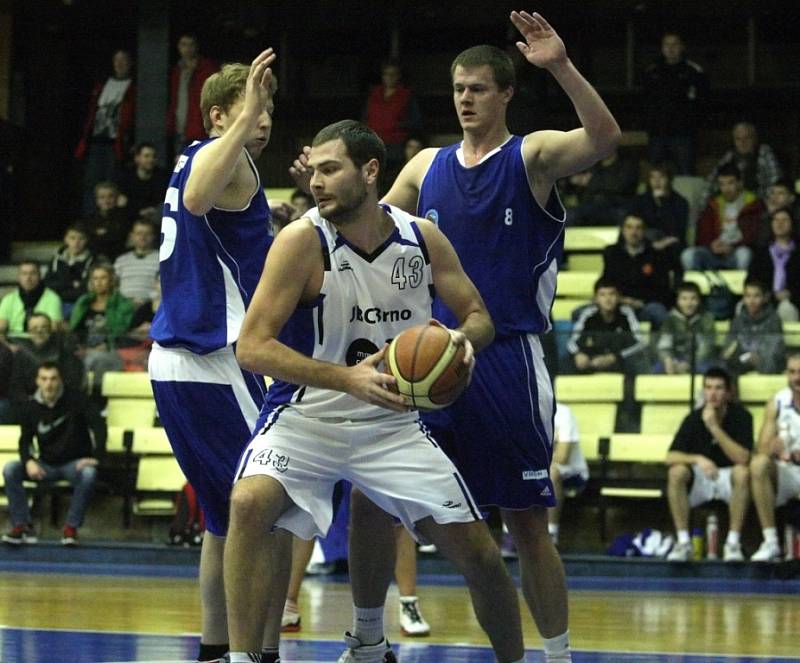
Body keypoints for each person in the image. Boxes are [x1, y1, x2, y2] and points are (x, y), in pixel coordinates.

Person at [290, 12, 621, 662]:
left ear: (504, 94)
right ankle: (366, 637)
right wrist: (305, 205)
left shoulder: (531, 155)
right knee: (371, 496)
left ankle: (556, 654)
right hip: (425, 361)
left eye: (477, 88)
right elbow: (366, 213)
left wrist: (558, 65)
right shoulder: (423, 165)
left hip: (506, 358)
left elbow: (605, 137)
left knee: (525, 521)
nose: (465, 98)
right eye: (457, 88)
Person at [226, 119, 525, 663]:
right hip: (307, 417)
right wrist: (348, 378)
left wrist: (455, 344)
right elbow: (252, 348)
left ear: (369, 171)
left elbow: (479, 315)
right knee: (247, 502)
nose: (315, 182)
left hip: (393, 424)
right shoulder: (301, 241)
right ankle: (244, 657)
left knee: (481, 555)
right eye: (312, 170)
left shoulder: (420, 238)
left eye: (330, 169)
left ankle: (377, 643)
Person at [148, 50, 286, 663]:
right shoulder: (218, 163)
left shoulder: (194, 160)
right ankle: (256, 654)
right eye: (252, 105)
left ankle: (216, 649)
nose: (264, 118)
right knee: (269, 512)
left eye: (270, 106)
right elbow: (204, 200)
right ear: (216, 115)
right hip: (217, 357)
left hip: (178, 358)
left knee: (223, 521)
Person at [2, 362, 101, 546]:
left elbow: (99, 426)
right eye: (44, 379)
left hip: (74, 464)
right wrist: (29, 461)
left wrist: (96, 457)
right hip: (46, 464)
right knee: (11, 469)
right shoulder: (31, 406)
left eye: (53, 379)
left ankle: (71, 528)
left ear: (60, 380)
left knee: (89, 473)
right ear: (37, 381)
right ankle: (21, 526)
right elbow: (24, 441)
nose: (49, 384)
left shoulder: (76, 399)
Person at [665, 367, 752, 562]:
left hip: (729, 478)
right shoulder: (693, 418)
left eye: (719, 388)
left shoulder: (742, 416)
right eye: (708, 387)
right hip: (701, 477)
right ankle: (683, 542)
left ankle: (732, 543)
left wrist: (714, 427)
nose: (712, 393)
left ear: (729, 392)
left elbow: (744, 458)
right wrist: (697, 459)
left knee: (743, 473)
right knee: (676, 472)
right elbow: (670, 456)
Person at [749, 353, 800, 562]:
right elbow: (760, 449)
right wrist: (772, 446)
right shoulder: (777, 402)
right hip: (785, 473)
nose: (797, 377)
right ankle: (770, 541)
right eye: (792, 372)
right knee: (759, 464)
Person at [74, 49, 136, 215]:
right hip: (96, 141)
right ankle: (90, 221)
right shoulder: (102, 85)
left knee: (112, 183)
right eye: (117, 60)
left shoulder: (132, 87)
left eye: (124, 60)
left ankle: (110, 221)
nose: (120, 63)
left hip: (115, 144)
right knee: (91, 184)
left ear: (131, 63)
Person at [641, 32, 708, 175]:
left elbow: (702, 104)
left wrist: (692, 125)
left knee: (686, 174)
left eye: (674, 44)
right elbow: (645, 103)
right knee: (656, 174)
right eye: (666, 44)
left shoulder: (693, 72)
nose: (670, 48)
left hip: (684, 135)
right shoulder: (652, 72)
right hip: (658, 134)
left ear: (682, 47)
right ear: (662, 48)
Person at [600, 214, 680, 328]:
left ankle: (663, 346)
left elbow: (662, 289)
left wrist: (640, 302)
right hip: (617, 304)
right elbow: (605, 281)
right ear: (623, 230)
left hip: (644, 306)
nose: (633, 232)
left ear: (644, 231)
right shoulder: (612, 253)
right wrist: (618, 299)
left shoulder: (656, 255)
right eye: (629, 227)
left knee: (659, 312)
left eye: (638, 228)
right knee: (579, 312)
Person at [682, 164, 762, 271]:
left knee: (744, 254)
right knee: (688, 255)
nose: (726, 188)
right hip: (714, 252)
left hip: (736, 251)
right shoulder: (713, 204)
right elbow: (702, 233)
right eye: (722, 184)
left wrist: (732, 246)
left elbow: (755, 235)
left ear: (740, 183)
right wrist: (712, 244)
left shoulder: (753, 203)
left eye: (730, 183)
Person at [69, 263, 133, 386]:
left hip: (111, 350)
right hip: (83, 349)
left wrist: (98, 349)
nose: (99, 282)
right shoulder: (83, 302)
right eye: (95, 278)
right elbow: (75, 329)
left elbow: (121, 332)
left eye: (103, 278)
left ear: (111, 281)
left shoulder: (123, 304)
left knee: (92, 360)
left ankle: (88, 397)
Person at [567, 278, 645, 375]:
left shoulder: (626, 313)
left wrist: (615, 357)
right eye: (602, 295)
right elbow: (571, 342)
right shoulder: (588, 315)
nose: (608, 299)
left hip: (620, 363)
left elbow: (640, 343)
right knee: (568, 361)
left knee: (636, 362)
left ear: (619, 297)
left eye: (612, 294)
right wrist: (578, 354)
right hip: (593, 362)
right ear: (596, 299)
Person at [364, 59, 422, 188]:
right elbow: (365, 118)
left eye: (393, 74)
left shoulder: (406, 95)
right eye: (386, 74)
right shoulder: (374, 94)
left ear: (398, 76)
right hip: (374, 143)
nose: (389, 78)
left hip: (397, 144)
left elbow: (416, 122)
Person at [10, 313, 85, 399]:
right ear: (28, 332)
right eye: (34, 328)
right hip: (29, 402)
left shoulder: (64, 351)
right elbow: (15, 387)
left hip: (60, 402)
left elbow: (72, 384)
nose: (39, 331)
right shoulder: (21, 354)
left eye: (44, 327)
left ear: (50, 330)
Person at [166, 34, 219, 156]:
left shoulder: (207, 69)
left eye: (191, 45)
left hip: (200, 129)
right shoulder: (176, 71)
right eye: (183, 45)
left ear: (196, 47)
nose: (187, 49)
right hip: (179, 129)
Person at [704, 122, 782, 202]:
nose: (742, 142)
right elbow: (711, 181)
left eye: (747, 138)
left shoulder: (764, 152)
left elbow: (776, 181)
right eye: (738, 139)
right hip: (733, 203)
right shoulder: (730, 156)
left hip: (758, 202)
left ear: (754, 138)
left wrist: (764, 200)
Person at [721, 278, 785, 375]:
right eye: (748, 296)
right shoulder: (737, 320)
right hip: (741, 362)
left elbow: (774, 351)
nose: (751, 300)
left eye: (756, 296)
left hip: (766, 365)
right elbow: (728, 349)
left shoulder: (774, 320)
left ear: (765, 298)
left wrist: (757, 359)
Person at [747, 208, 800, 322]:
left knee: (786, 309)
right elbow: (751, 279)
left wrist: (790, 294)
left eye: (784, 220)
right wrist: (765, 295)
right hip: (763, 299)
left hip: (792, 301)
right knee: (744, 305)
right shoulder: (761, 252)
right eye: (776, 220)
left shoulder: (797, 252)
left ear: (792, 224)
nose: (779, 223)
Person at [563, 148, 639, 226]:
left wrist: (590, 182)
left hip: (615, 206)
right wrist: (572, 181)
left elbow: (619, 186)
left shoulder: (627, 165)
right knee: (567, 216)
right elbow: (569, 187)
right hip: (589, 206)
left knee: (625, 218)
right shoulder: (592, 165)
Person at [548, 402, 588, 546]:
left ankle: (551, 532)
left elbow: (562, 457)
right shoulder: (520, 411)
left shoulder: (562, 413)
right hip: (538, 467)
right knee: (512, 470)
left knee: (551, 472)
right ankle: (510, 534)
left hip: (572, 472)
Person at [627, 162, 689, 254]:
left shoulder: (680, 202)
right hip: (646, 241)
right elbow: (635, 224)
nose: (657, 181)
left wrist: (664, 203)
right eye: (653, 177)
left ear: (669, 179)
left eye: (661, 177)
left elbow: (678, 232)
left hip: (671, 243)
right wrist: (650, 243)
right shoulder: (641, 200)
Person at [655, 281, 716, 374]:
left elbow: (706, 347)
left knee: (707, 370)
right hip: (675, 358)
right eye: (684, 299)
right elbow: (664, 345)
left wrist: (689, 363)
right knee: (656, 369)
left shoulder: (706, 319)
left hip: (698, 360)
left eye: (693, 298)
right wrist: (668, 359)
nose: (689, 303)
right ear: (677, 301)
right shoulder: (670, 319)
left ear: (699, 300)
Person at [0, 261, 63, 343]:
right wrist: (8, 347)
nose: (28, 278)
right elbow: (1, 328)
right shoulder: (8, 299)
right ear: (19, 277)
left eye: (33, 273)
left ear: (40, 276)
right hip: (14, 342)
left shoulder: (52, 298)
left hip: (42, 342)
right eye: (24, 274)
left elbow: (54, 329)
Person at [44, 223, 95, 319]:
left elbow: (86, 290)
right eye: (72, 238)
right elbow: (48, 284)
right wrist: (72, 284)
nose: (76, 242)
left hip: (79, 304)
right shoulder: (57, 259)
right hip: (55, 302)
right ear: (66, 239)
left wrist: (61, 285)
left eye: (81, 238)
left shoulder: (93, 261)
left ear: (86, 240)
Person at [116, 142, 169, 221]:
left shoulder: (162, 177)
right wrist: (139, 211)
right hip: (132, 216)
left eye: (154, 156)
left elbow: (162, 200)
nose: (151, 160)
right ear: (137, 158)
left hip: (155, 216)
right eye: (146, 156)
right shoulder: (126, 176)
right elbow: (123, 201)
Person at [113, 219, 160, 307]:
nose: (143, 237)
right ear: (132, 236)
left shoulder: (161, 259)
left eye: (147, 234)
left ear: (153, 236)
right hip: (122, 308)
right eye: (139, 233)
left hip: (150, 308)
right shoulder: (121, 260)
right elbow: (114, 286)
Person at [86, 181, 132, 261]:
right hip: (96, 261)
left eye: (110, 196)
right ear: (96, 200)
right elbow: (90, 243)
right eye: (102, 197)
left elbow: (123, 240)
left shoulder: (126, 217)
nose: (106, 201)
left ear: (117, 198)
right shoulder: (90, 220)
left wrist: (104, 235)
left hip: (121, 259)